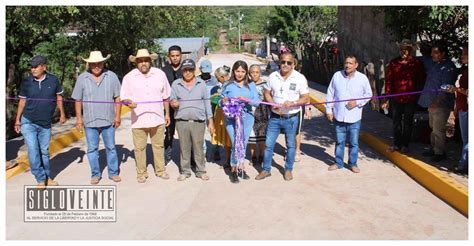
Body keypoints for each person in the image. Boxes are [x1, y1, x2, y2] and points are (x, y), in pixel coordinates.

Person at [255, 52, 309, 181]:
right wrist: (272, 102)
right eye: (283, 62)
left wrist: (294, 103)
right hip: (274, 117)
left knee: (291, 146)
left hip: (291, 118)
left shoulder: (300, 78)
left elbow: (306, 98)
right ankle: (266, 170)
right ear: (279, 62)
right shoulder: (273, 76)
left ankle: (288, 169)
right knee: (268, 145)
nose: (285, 64)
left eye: (288, 62)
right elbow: (266, 92)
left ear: (293, 64)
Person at [121, 49, 171, 183]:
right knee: (139, 148)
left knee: (159, 146)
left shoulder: (160, 74)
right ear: (136, 62)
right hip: (139, 120)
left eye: (146, 60)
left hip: (157, 118)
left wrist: (167, 114)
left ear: (150, 61)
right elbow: (124, 97)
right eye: (140, 61)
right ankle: (141, 173)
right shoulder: (129, 78)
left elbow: (166, 96)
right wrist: (128, 103)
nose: (143, 63)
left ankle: (160, 170)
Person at [15, 55, 66, 188]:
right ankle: (40, 178)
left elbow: (59, 97)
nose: (33, 69)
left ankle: (47, 177)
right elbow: (22, 101)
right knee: (33, 149)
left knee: (44, 151)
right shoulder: (26, 82)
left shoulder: (53, 80)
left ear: (44, 67)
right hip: (28, 121)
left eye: (36, 66)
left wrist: (62, 113)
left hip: (45, 123)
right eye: (31, 67)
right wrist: (17, 120)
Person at [72, 51, 122, 184]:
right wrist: (78, 119)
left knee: (110, 147)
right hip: (90, 121)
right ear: (89, 64)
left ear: (103, 62)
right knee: (92, 148)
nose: (96, 66)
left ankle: (113, 173)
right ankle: (95, 174)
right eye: (93, 64)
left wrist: (117, 116)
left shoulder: (111, 76)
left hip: (108, 120)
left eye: (99, 63)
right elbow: (77, 99)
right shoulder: (82, 78)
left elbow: (117, 97)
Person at [326, 55, 373, 173]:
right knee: (339, 142)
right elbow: (330, 93)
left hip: (354, 117)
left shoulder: (362, 78)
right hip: (339, 116)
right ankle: (338, 162)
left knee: (353, 142)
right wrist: (328, 110)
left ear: (356, 65)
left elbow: (368, 94)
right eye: (346, 63)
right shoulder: (337, 76)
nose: (347, 65)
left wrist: (357, 102)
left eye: (351, 63)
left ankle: (353, 163)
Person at [170, 59, 215, 181]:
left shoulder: (201, 84)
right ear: (182, 71)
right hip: (182, 121)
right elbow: (171, 100)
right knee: (184, 147)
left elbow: (207, 104)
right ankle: (185, 171)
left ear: (194, 70)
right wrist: (174, 104)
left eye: (190, 70)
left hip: (198, 122)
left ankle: (201, 171)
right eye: (185, 70)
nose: (188, 72)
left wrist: (210, 121)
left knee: (198, 147)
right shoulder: (176, 84)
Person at [382, 39, 426, 153]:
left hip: (411, 99)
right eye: (401, 50)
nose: (403, 52)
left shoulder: (416, 63)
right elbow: (389, 81)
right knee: (396, 121)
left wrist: (417, 94)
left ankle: (405, 144)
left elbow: (421, 80)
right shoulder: (393, 63)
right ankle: (397, 144)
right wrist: (387, 97)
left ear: (410, 51)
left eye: (405, 50)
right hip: (396, 98)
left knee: (408, 121)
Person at [221, 60, 260, 183]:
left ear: (246, 72)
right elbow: (221, 100)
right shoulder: (227, 84)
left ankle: (240, 168)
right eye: (237, 71)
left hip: (247, 118)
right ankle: (233, 170)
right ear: (233, 71)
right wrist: (224, 101)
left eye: (243, 71)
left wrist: (246, 100)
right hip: (231, 118)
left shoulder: (251, 85)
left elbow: (257, 102)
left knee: (242, 144)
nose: (240, 74)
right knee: (235, 143)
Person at [418, 42, 457, 162]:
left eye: (435, 52)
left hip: (440, 104)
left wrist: (437, 101)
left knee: (438, 129)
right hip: (431, 102)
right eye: (432, 52)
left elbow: (446, 88)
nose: (432, 55)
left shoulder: (448, 67)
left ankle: (439, 152)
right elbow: (423, 60)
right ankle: (433, 148)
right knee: (432, 127)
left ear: (443, 53)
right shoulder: (434, 64)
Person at [447, 45, 468, 173]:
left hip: (467, 109)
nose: (462, 56)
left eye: (465, 53)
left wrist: (455, 89)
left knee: (468, 139)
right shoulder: (466, 70)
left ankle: (462, 165)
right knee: (466, 139)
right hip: (463, 108)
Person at [162, 45, 183, 164]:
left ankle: (187, 158)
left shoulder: (186, 69)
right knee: (169, 132)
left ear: (181, 56)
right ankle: (167, 156)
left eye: (177, 55)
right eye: (172, 56)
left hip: (183, 107)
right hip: (168, 108)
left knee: (185, 134)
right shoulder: (164, 71)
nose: (175, 58)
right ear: (169, 57)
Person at [247, 64, 270, 166]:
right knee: (251, 136)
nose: (255, 74)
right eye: (252, 72)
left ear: (260, 73)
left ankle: (261, 155)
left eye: (257, 72)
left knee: (262, 136)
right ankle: (253, 156)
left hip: (263, 113)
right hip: (250, 113)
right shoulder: (246, 84)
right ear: (249, 73)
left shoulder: (266, 84)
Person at [210, 66, 232, 165]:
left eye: (218, 77)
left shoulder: (231, 85)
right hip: (221, 114)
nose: (218, 80)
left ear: (222, 76)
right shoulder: (221, 86)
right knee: (227, 140)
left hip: (229, 114)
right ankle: (228, 161)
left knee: (230, 138)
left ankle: (231, 161)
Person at [198, 59, 219, 156]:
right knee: (200, 132)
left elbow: (218, 94)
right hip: (200, 110)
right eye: (204, 72)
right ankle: (203, 151)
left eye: (208, 72)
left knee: (213, 131)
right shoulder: (196, 80)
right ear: (200, 70)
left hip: (213, 109)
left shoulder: (215, 80)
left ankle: (215, 150)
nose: (206, 75)